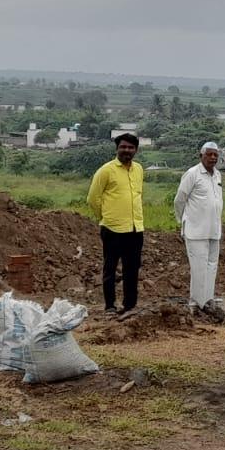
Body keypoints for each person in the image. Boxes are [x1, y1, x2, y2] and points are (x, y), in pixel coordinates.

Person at [87, 133, 145, 315]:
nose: (126, 150)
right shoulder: (106, 170)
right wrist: (104, 217)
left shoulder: (139, 170)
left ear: (135, 150)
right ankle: (110, 306)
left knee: (132, 269)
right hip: (112, 229)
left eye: (130, 148)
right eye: (123, 147)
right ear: (117, 149)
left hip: (135, 229)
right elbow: (93, 198)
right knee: (110, 268)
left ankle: (130, 306)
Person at [174, 142, 224, 309]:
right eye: (209, 154)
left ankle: (208, 299)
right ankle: (196, 302)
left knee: (212, 265)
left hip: (214, 229)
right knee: (198, 267)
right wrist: (184, 220)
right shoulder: (192, 174)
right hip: (195, 230)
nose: (212, 157)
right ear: (201, 155)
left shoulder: (217, 175)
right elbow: (180, 199)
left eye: (215, 155)